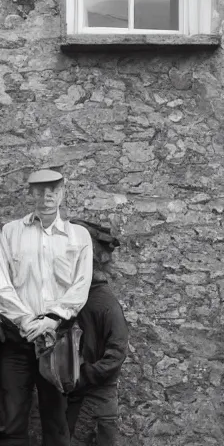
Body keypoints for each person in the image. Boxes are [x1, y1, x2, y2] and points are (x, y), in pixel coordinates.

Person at [0, 168, 93, 446]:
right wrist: (26, 320)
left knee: (55, 421)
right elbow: (1, 282)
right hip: (17, 338)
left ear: (62, 193)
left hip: (58, 340)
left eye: (53, 190)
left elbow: (80, 285)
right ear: (31, 193)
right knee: (11, 417)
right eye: (40, 191)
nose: (46, 197)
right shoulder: (10, 232)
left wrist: (52, 319)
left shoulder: (79, 236)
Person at [65, 221, 128, 446]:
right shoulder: (77, 298)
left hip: (98, 402)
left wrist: (86, 375)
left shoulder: (104, 302)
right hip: (78, 400)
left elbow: (118, 350)